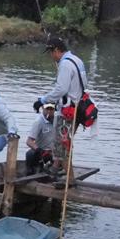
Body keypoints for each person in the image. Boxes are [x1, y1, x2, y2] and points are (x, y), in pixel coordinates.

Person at [34, 37, 88, 182]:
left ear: (57, 50)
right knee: (65, 143)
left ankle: (70, 181)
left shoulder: (65, 64)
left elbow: (61, 89)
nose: (51, 57)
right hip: (80, 108)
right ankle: (56, 167)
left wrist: (42, 100)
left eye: (51, 53)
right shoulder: (77, 60)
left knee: (61, 146)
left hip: (68, 110)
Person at [25, 102, 56, 175]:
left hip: (54, 152)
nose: (49, 111)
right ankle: (31, 171)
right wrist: (39, 150)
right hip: (42, 152)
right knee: (30, 154)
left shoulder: (58, 120)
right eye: (47, 109)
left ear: (54, 110)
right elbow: (29, 141)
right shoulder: (38, 122)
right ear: (43, 108)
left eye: (51, 109)